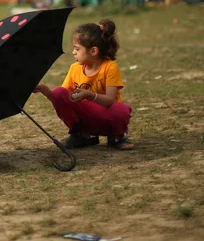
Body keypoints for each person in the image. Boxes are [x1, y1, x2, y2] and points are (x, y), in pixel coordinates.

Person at [33, 19, 134, 150]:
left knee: (121, 110)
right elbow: (62, 98)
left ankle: (116, 136)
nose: (73, 52)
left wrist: (89, 94)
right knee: (59, 92)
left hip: (107, 117)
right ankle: (81, 135)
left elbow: (110, 100)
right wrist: (46, 91)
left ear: (93, 51)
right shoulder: (74, 68)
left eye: (77, 49)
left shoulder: (110, 67)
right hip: (86, 118)